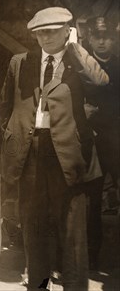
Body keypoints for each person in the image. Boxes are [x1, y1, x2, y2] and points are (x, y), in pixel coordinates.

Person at [0, 7, 109, 291]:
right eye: (39, 32)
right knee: (33, 230)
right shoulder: (19, 62)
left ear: (67, 31)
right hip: (30, 153)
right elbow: (6, 108)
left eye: (51, 31)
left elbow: (101, 84)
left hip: (68, 157)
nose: (44, 37)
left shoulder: (78, 64)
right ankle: (38, 285)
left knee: (72, 234)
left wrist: (76, 46)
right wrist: (16, 138)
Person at [84, 16, 120, 269]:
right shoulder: (82, 66)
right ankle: (91, 258)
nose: (103, 41)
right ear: (90, 38)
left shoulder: (119, 66)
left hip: (117, 141)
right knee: (92, 201)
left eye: (107, 37)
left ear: (115, 39)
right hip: (92, 142)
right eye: (98, 37)